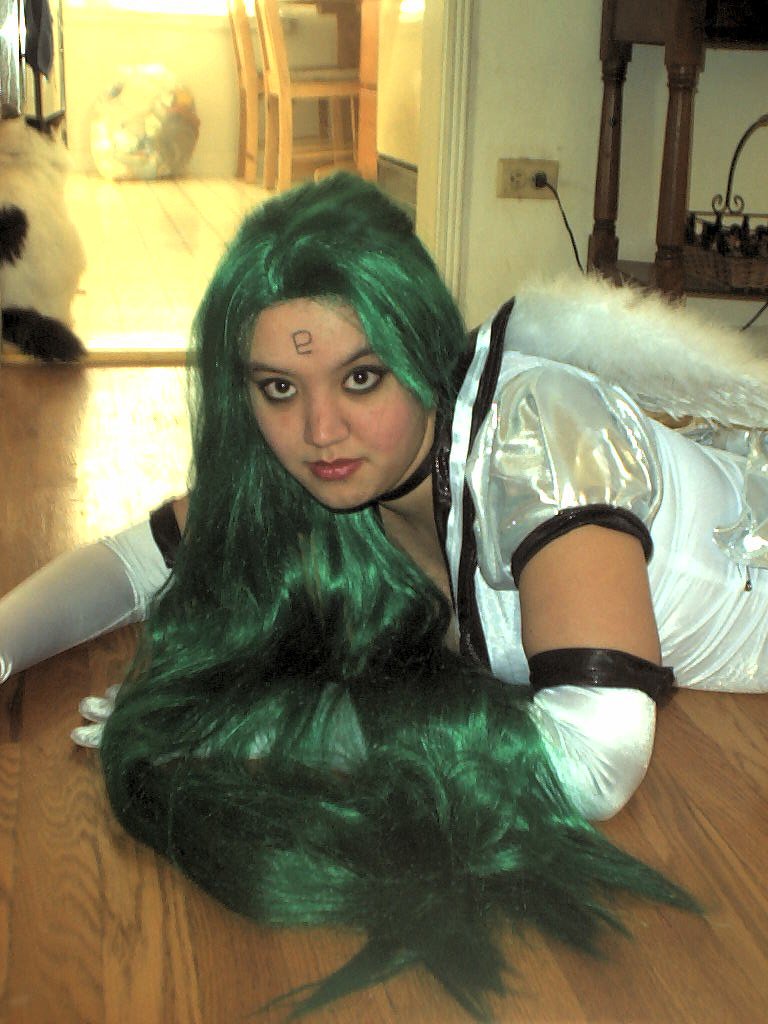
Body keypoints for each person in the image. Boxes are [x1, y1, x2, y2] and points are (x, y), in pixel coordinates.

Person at [1, 172, 767, 1018]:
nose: (319, 430)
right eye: (279, 387)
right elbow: (135, 561)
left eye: (361, 378)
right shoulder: (321, 469)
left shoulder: (540, 441)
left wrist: (269, 726)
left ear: (421, 350)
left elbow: (598, 761)